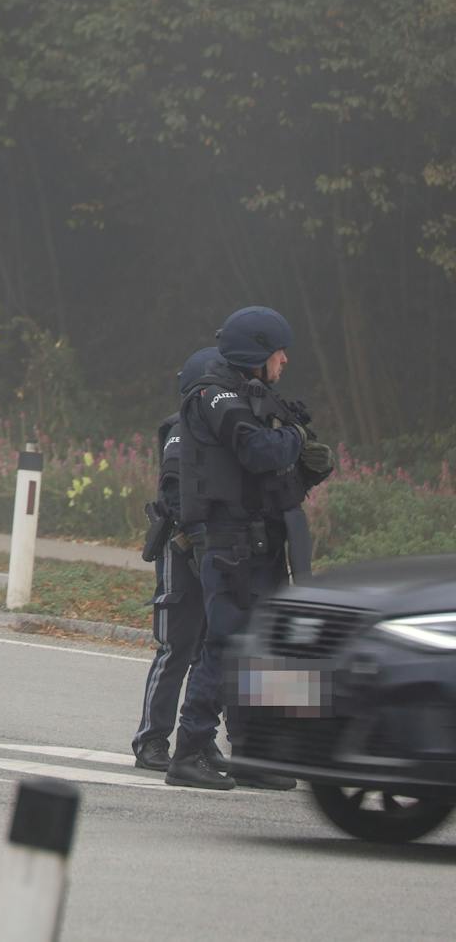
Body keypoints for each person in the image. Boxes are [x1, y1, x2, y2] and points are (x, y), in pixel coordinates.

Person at [165, 306, 335, 790]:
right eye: (278, 351)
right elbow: (258, 452)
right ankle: (191, 749)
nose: (284, 361)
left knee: (264, 649)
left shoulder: (251, 394)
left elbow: (271, 468)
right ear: (256, 351)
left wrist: (306, 460)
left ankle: (255, 751)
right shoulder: (214, 394)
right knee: (227, 644)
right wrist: (293, 439)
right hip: (230, 542)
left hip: (259, 539)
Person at [132, 346, 224, 772]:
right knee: (176, 649)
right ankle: (151, 740)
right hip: (181, 549)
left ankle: (202, 739)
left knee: (213, 648)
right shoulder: (181, 429)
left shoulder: (220, 428)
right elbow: (174, 492)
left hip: (218, 552)